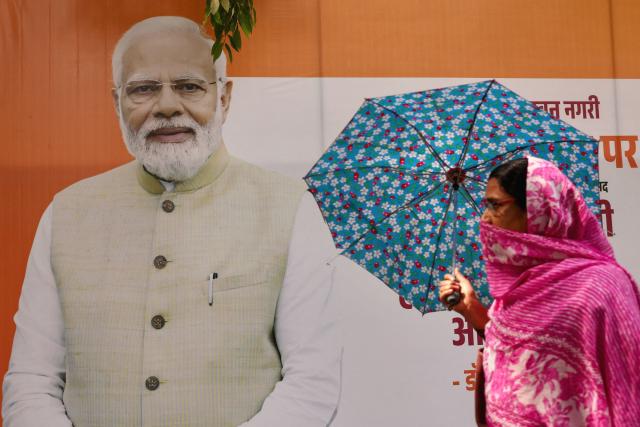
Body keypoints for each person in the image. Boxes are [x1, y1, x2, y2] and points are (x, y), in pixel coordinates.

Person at [2, 16, 341, 427]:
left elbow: (311, 383)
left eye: (189, 86)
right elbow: (32, 380)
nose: (166, 106)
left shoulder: (290, 209)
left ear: (224, 98)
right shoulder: (67, 212)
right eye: (143, 89)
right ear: (116, 102)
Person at [439, 156, 640, 426]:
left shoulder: (601, 285)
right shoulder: (518, 286)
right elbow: (520, 358)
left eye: (496, 205)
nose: (485, 218)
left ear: (537, 209)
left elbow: (626, 387)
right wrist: (471, 308)